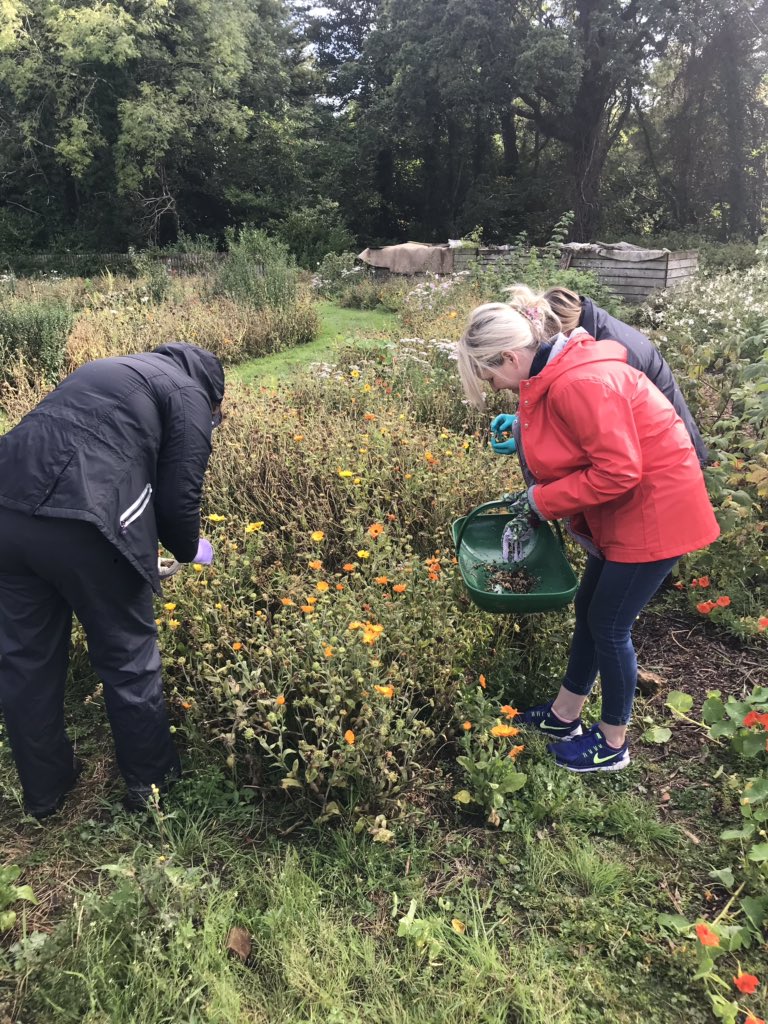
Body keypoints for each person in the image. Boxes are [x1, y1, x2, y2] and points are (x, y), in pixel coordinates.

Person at [457, 288, 719, 773]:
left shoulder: (581, 379)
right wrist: (521, 427)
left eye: (488, 374)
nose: (492, 386)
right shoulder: (556, 370)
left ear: (510, 357)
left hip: (656, 513)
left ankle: (612, 743)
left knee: (610, 625)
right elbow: (571, 429)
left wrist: (540, 500)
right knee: (590, 611)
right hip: (626, 512)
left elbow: (619, 471)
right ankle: (564, 716)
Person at [0, 342, 224, 817]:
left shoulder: (106, 368)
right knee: (128, 657)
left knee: (25, 662)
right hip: (86, 525)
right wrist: (187, 551)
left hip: (7, 513)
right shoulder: (189, 393)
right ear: (212, 392)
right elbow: (179, 498)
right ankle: (151, 791)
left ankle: (46, 793)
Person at [489, 287, 707, 466]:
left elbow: (608, 450)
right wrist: (522, 422)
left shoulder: (612, 356)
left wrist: (530, 442)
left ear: (560, 333)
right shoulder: (589, 337)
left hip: (671, 460)